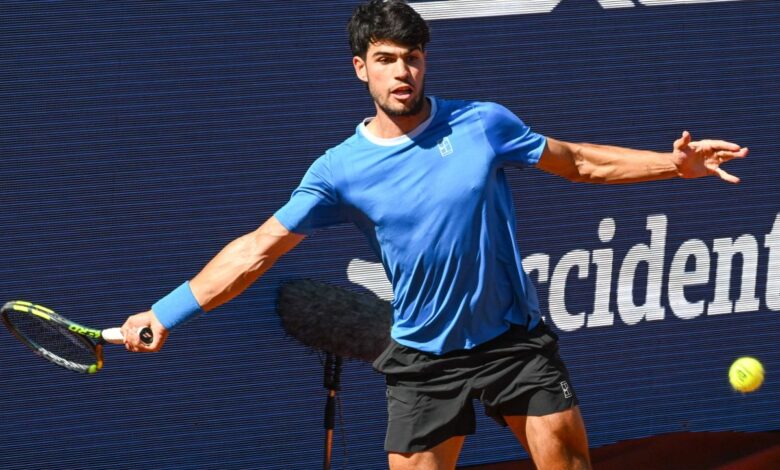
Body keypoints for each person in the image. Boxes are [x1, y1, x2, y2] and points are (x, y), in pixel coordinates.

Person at [121, 1, 748, 468]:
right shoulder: (340, 170)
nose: (403, 73)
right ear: (361, 68)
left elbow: (579, 160)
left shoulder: (483, 124)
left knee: (565, 457)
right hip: (425, 358)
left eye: (413, 58)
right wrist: (167, 311)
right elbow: (256, 250)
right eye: (388, 60)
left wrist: (676, 163)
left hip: (512, 342)